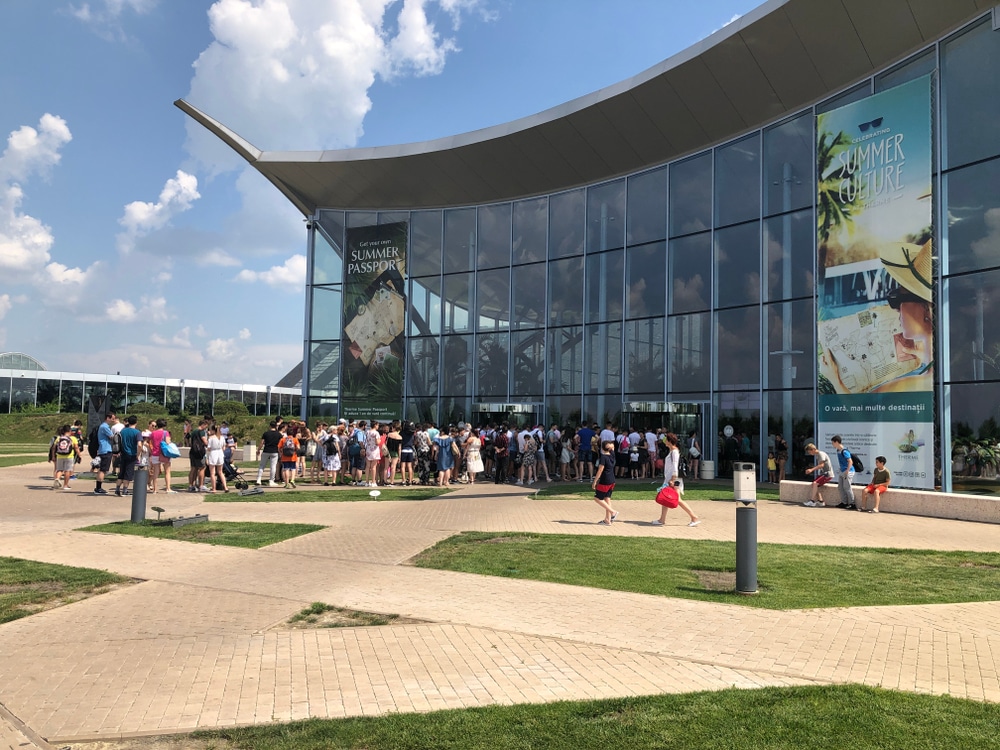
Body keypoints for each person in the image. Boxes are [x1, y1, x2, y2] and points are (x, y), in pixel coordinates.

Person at [652, 433, 700, 526]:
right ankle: (662, 519)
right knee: (665, 497)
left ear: (669, 441)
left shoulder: (674, 452)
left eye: (666, 439)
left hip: (674, 479)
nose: (664, 440)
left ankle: (694, 517)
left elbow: (675, 466)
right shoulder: (672, 451)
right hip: (671, 478)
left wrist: (672, 479)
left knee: (677, 499)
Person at [592, 441, 619, 525]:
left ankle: (613, 512)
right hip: (612, 480)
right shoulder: (612, 455)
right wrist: (611, 447)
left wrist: (595, 481)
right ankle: (607, 520)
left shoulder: (603, 457)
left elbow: (600, 470)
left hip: (605, 480)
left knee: (597, 498)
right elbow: (612, 448)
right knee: (607, 499)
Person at [115, 415, 141, 497]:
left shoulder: (123, 431)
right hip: (132, 454)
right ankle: (125, 490)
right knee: (128, 473)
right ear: (136, 422)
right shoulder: (137, 432)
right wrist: (138, 454)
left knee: (121, 472)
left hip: (123, 453)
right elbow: (139, 445)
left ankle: (117, 489)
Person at [149, 419, 176, 494]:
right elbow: (167, 442)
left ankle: (155, 489)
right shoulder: (165, 433)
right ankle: (168, 488)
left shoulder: (153, 433)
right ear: (164, 425)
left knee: (156, 472)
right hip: (164, 454)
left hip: (155, 453)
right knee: (167, 471)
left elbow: (150, 441)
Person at [93, 413, 117, 495]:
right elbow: (112, 437)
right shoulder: (105, 427)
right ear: (108, 418)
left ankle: (98, 487)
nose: (113, 420)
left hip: (103, 449)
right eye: (112, 418)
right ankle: (98, 488)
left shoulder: (103, 426)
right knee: (103, 469)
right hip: (106, 450)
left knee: (102, 469)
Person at [830, 435, 856, 509]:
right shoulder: (838, 450)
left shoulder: (844, 451)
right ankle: (844, 502)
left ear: (837, 442)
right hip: (842, 471)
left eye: (833, 443)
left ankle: (852, 503)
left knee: (847, 487)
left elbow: (850, 461)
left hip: (848, 471)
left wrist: (847, 470)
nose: (832, 445)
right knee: (840, 487)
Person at [52, 424, 79, 491]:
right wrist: (79, 454)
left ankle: (57, 478)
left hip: (59, 455)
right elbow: (76, 447)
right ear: (70, 431)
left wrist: (53, 456)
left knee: (59, 469)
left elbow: (53, 447)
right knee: (67, 470)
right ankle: (65, 485)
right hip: (69, 456)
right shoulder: (73, 438)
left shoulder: (59, 438)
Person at [256, 421, 283, 487]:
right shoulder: (279, 434)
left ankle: (258, 480)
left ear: (270, 426)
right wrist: (281, 452)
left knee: (262, 465)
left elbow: (262, 443)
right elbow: (281, 444)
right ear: (276, 426)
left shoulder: (266, 433)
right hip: (274, 451)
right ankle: (271, 480)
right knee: (273, 466)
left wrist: (258, 450)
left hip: (266, 450)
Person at [205, 424, 228, 493]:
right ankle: (225, 487)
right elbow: (224, 447)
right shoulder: (222, 437)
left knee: (212, 473)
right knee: (220, 472)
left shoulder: (211, 438)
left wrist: (207, 457)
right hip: (220, 453)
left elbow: (208, 448)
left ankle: (214, 488)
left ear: (212, 430)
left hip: (213, 453)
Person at [188, 419, 209, 493]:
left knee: (193, 468)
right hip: (199, 453)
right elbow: (205, 442)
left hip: (193, 451)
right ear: (203, 424)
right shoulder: (201, 431)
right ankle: (201, 485)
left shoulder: (194, 431)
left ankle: (191, 485)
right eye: (206, 426)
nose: (206, 428)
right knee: (202, 468)